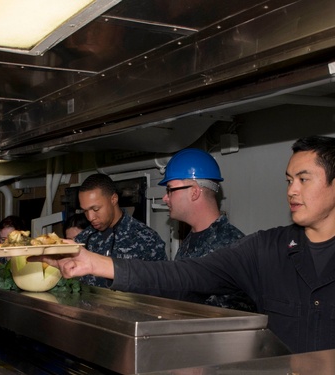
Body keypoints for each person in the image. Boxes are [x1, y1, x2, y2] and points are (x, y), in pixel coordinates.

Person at [38, 135, 335, 354]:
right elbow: (182, 276)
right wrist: (93, 262)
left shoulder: (232, 240)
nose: (292, 190)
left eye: (303, 179)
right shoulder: (266, 249)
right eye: (288, 180)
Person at [159, 148, 255, 311]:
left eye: (170, 189)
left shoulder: (230, 247)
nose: (165, 198)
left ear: (194, 192)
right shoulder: (191, 240)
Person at [73, 173, 166, 287]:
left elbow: (161, 287)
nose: (90, 217)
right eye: (85, 211)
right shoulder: (83, 239)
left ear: (113, 199)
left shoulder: (146, 240)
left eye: (95, 209)